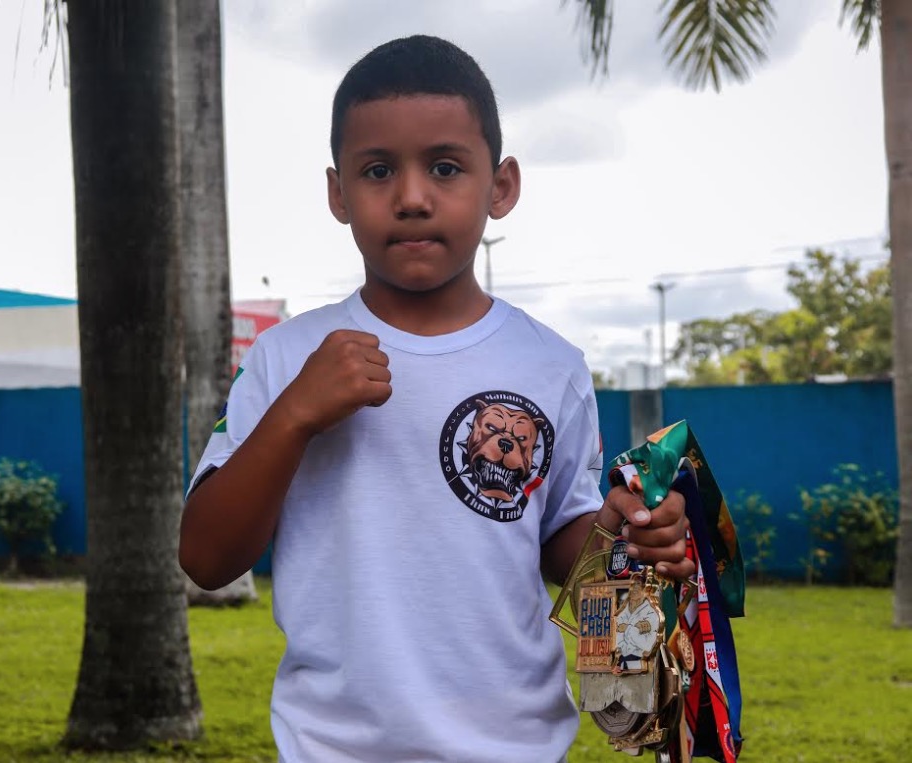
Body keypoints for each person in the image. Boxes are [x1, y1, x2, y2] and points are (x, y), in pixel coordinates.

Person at [179, 34, 693, 763]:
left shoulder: (553, 364)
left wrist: (625, 537)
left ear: (501, 185)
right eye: (378, 170)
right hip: (333, 748)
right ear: (337, 193)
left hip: (518, 746)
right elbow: (204, 554)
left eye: (446, 167)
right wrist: (295, 415)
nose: (413, 197)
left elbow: (555, 537)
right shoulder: (287, 357)